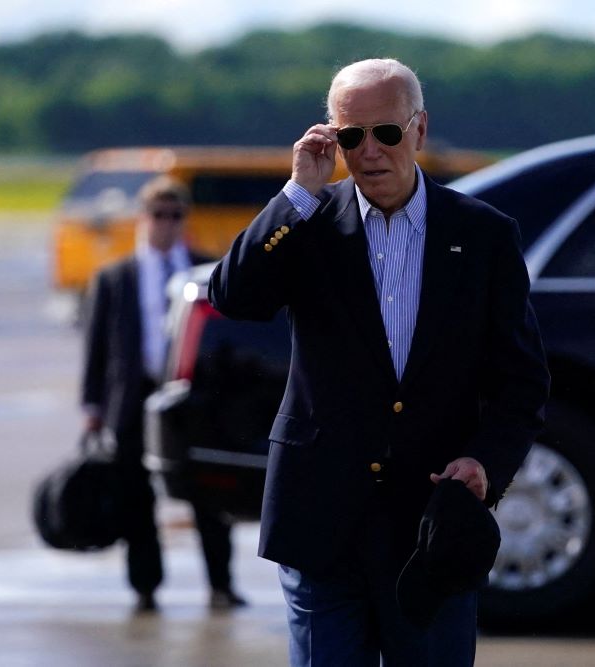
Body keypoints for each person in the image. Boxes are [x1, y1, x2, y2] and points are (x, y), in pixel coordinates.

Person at [209, 58, 550, 665]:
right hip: (319, 520)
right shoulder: (307, 221)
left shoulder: (483, 235)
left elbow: (521, 380)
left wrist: (485, 463)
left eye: (386, 133)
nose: (369, 151)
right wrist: (296, 193)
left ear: (418, 129)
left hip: (430, 529)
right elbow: (235, 296)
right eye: (350, 136)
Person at [81, 175, 244, 613]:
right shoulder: (117, 277)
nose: (167, 224)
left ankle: (221, 585)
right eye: (158, 215)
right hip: (133, 397)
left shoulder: (206, 269)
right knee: (135, 497)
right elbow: (97, 347)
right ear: (143, 218)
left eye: (175, 216)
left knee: (208, 495)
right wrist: (91, 408)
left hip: (191, 396)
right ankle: (145, 587)